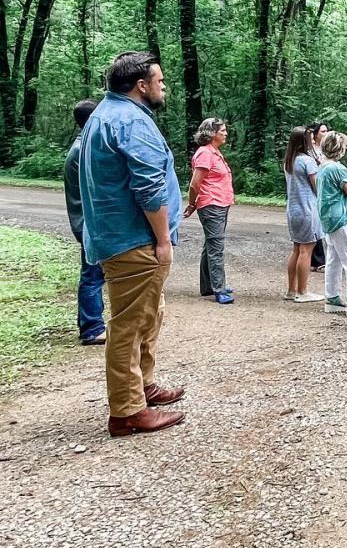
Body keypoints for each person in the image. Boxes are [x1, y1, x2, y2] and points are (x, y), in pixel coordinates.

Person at [79, 51, 185, 437]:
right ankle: (127, 411)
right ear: (141, 86)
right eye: (159, 81)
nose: (163, 87)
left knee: (148, 316)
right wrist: (162, 240)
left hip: (119, 237)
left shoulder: (103, 116)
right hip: (134, 240)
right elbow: (148, 187)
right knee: (128, 324)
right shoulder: (130, 122)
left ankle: (143, 385)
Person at [64, 98, 106, 346]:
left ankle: (90, 323)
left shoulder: (80, 147)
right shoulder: (83, 151)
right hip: (90, 224)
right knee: (92, 275)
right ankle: (91, 328)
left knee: (93, 273)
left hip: (87, 223)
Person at [184, 117, 235, 304]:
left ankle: (208, 285)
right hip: (211, 205)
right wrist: (191, 204)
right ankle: (219, 289)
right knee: (216, 247)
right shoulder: (205, 154)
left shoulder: (214, 152)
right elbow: (194, 184)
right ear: (212, 133)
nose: (226, 133)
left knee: (210, 245)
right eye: (222, 130)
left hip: (220, 204)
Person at [317, 131, 347, 317]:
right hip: (342, 218)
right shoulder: (339, 169)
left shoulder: (322, 167)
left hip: (328, 218)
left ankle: (332, 297)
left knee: (334, 258)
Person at [283, 126, 324, 303]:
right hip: (308, 209)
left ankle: (291, 289)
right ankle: (303, 291)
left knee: (296, 249)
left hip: (293, 209)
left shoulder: (289, 161)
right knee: (306, 251)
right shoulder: (307, 161)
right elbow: (317, 187)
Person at [307, 122, 329, 272]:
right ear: (315, 134)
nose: (326, 134)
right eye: (323, 131)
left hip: (324, 189)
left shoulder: (326, 149)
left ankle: (316, 259)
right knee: (315, 225)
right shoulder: (310, 152)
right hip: (314, 190)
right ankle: (318, 259)